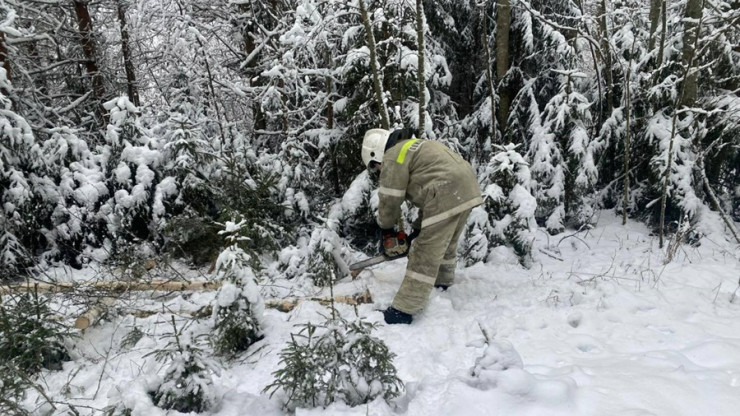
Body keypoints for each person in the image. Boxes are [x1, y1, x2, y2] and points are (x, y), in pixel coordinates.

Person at [361, 128, 483, 324]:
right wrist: (416, 230)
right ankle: (441, 283)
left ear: (377, 155)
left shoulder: (393, 156)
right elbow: (430, 194)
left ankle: (404, 310)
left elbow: (390, 197)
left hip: (445, 189)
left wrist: (386, 230)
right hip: (466, 188)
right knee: (446, 242)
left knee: (424, 252)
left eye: (376, 167)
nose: (379, 171)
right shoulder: (414, 146)